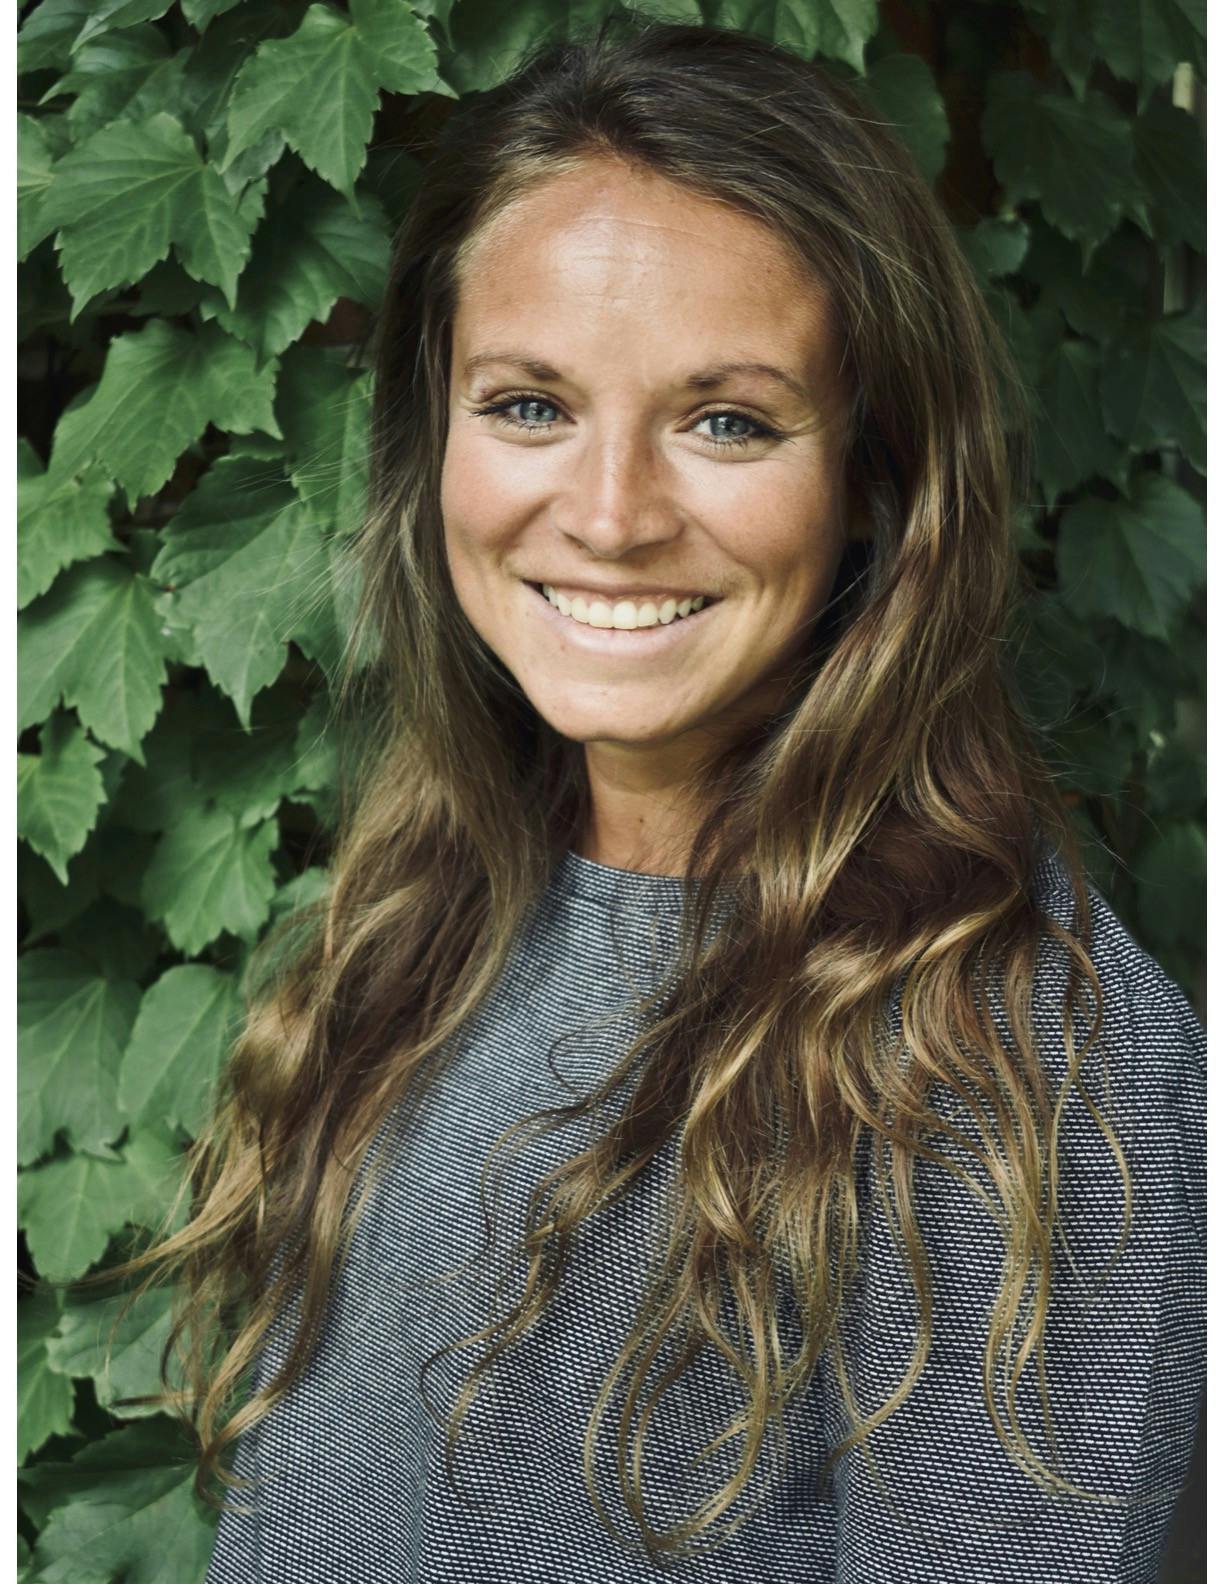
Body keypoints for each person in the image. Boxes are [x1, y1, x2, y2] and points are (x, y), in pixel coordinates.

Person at [133, 18, 1204, 1582]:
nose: (614, 514)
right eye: (528, 406)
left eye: (728, 422)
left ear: (878, 485)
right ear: (431, 435)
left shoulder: (1016, 1047)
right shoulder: (446, 892)